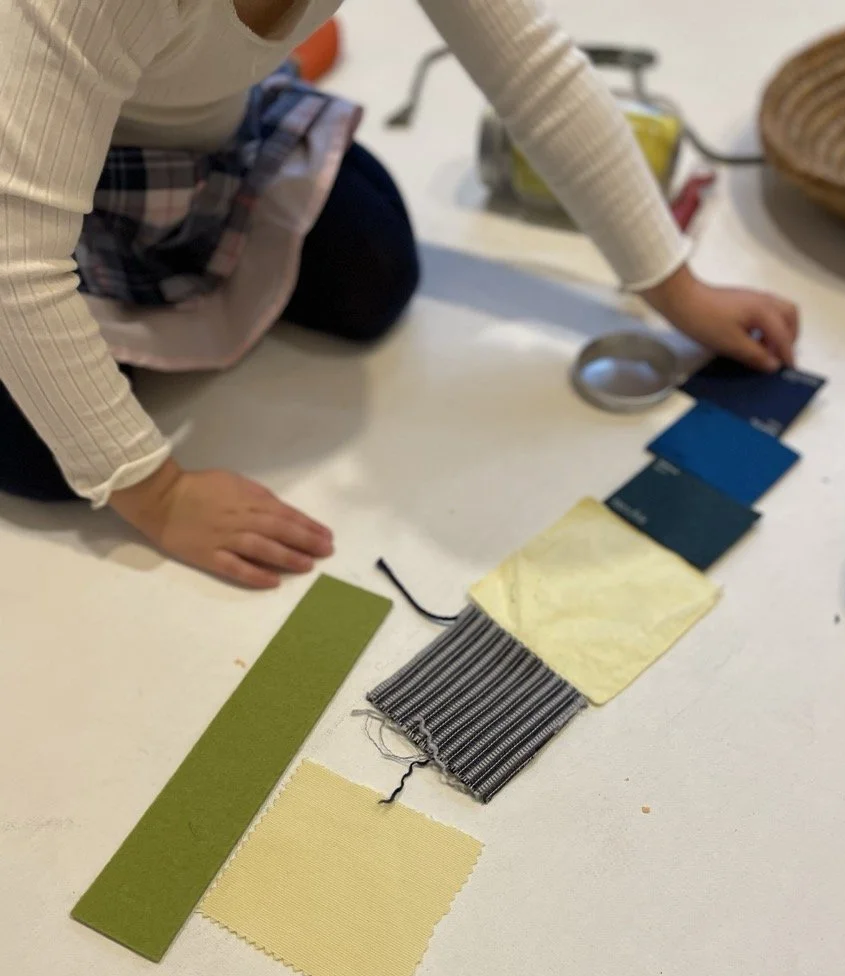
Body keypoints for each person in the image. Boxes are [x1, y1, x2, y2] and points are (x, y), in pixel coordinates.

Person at [0, 0, 799, 589]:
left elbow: (535, 72)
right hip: (29, 181)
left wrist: (675, 285)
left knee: (372, 275)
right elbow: (17, 260)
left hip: (199, 143)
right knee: (47, 462)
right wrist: (160, 495)